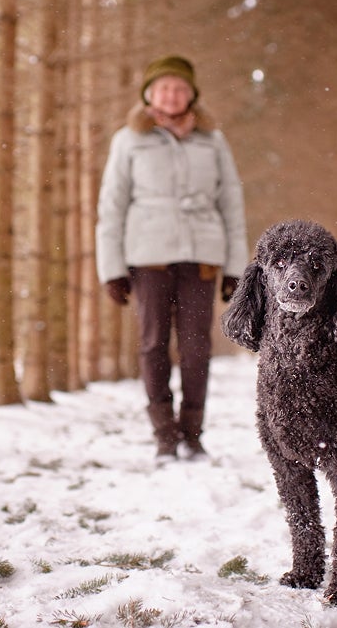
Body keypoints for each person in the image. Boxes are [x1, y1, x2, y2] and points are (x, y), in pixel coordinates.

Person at [95, 55, 249, 461]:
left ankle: (193, 433)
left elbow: (231, 203)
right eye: (164, 88)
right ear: (149, 94)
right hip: (148, 256)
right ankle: (164, 433)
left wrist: (236, 268)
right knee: (152, 344)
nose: (172, 95)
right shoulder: (128, 139)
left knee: (197, 347)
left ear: (192, 94)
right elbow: (112, 206)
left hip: (202, 255)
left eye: (180, 88)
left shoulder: (212, 139)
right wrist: (111, 269)